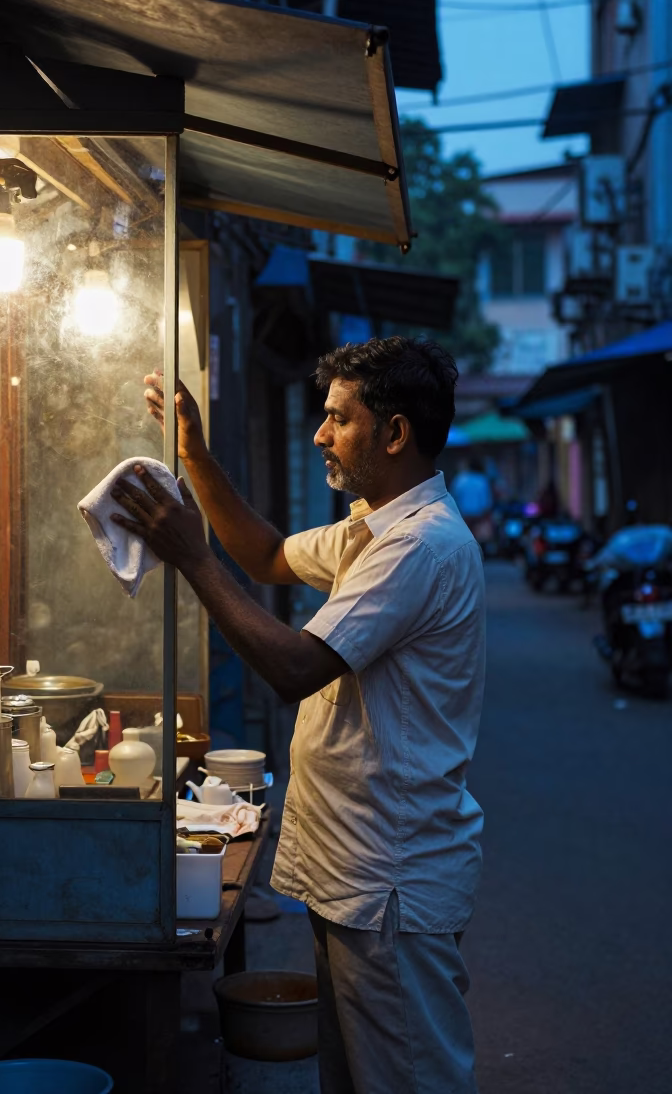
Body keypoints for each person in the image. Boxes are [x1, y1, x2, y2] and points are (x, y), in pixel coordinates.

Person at [111, 337, 485, 1094]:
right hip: (358, 874)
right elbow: (271, 556)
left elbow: (292, 667)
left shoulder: (418, 547)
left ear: (395, 433)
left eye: (337, 419)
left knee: (409, 1081)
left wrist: (193, 558)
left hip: (388, 884)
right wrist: (196, 458)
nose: (320, 434)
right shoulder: (370, 528)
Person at [450, 458, 494, 548]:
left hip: (463, 517)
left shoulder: (459, 480)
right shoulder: (482, 480)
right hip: (478, 517)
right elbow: (487, 502)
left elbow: (453, 499)